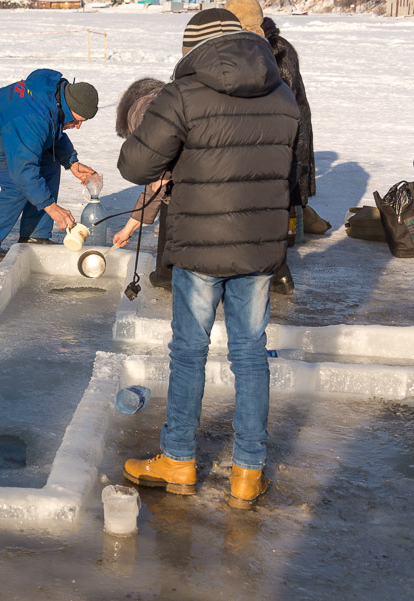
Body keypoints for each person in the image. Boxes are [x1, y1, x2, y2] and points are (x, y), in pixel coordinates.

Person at [117, 9, 300, 510]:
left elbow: (134, 164)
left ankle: (178, 458)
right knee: (250, 354)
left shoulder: (182, 95)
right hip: (260, 247)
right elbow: (290, 169)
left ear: (193, 48)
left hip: (200, 244)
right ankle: (247, 472)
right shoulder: (282, 93)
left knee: (190, 352)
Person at [225, 0, 331, 294]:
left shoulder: (276, 50)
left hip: (282, 136)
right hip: (265, 137)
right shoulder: (241, 48)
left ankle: (275, 266)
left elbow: (285, 102)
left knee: (275, 198)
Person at [0, 69, 100, 263]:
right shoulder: (33, 117)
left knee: (50, 164)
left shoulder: (54, 98)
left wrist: (72, 161)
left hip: (11, 129)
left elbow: (51, 128)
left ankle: (35, 235)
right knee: (17, 185)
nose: (78, 126)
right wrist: (51, 207)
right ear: (70, 107)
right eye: (77, 121)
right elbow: (23, 170)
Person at [111, 77, 173, 290]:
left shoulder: (142, 115)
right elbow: (155, 184)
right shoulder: (163, 99)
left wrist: (163, 176)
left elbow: (157, 181)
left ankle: (170, 273)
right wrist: (128, 230)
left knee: (172, 201)